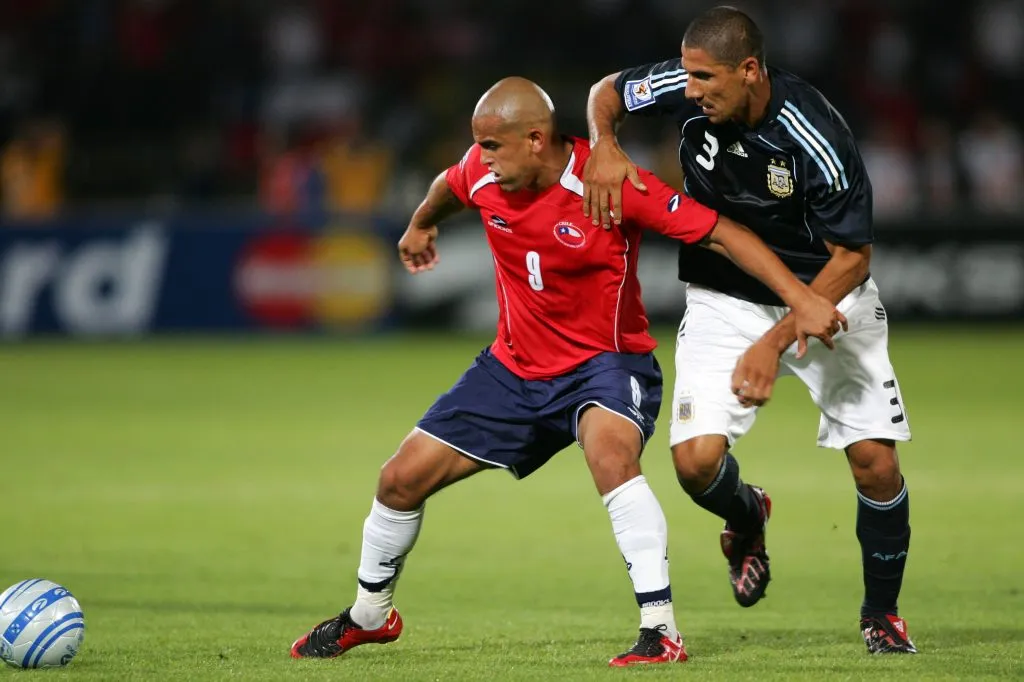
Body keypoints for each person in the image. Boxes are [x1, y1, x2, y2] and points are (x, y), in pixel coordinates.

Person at [290, 76, 844, 667]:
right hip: (512, 370)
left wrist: (800, 298)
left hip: (605, 365)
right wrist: (422, 222)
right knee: (398, 480)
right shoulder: (483, 171)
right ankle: (371, 616)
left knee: (611, 458)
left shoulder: (608, 183)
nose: (481, 159)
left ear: (535, 139)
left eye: (493, 146)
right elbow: (449, 185)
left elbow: (723, 234)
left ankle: (660, 631)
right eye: (478, 146)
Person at [583, 6, 916, 655]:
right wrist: (604, 141)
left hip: (825, 290)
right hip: (722, 293)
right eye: (687, 75)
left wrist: (774, 340)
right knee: (695, 462)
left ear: (751, 71)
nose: (692, 90)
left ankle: (882, 614)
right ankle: (747, 516)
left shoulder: (812, 132)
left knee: (875, 464)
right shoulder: (686, 86)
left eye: (706, 78)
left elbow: (854, 257)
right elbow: (607, 92)